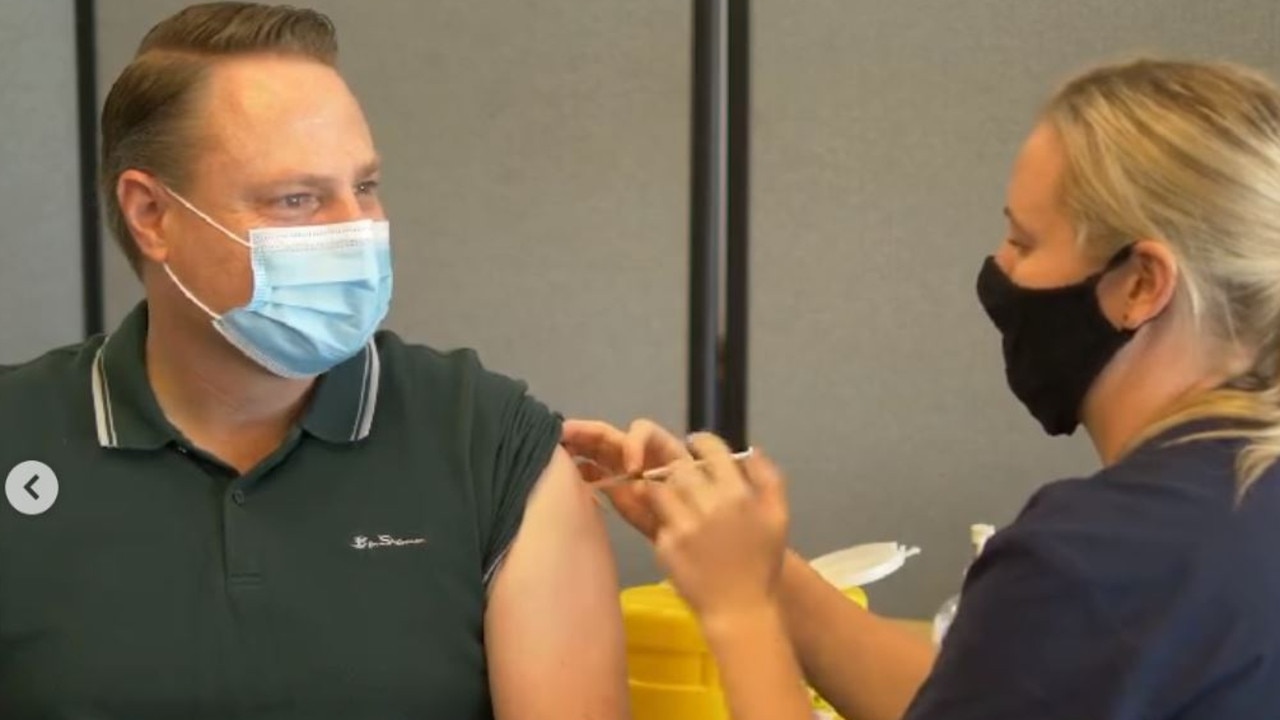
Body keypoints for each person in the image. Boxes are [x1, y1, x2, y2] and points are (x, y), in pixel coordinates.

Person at [566, 58, 1280, 720]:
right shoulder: (1229, 512)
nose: (1001, 268)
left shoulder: (1097, 562)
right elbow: (989, 691)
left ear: (1142, 284)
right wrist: (751, 563)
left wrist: (737, 613)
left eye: (1024, 243)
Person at [0, 3, 627, 719]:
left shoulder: (490, 447)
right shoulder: (15, 437)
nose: (357, 232)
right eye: (297, 199)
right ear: (151, 215)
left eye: (362, 186)